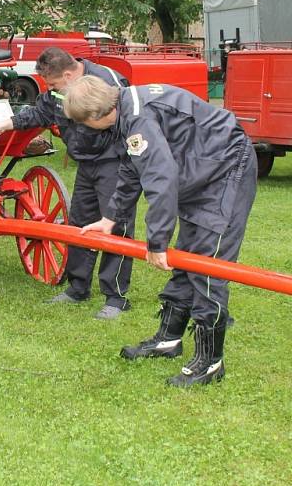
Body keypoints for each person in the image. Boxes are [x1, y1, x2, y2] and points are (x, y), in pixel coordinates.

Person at [65, 76, 257, 386]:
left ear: (98, 115)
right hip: (200, 167)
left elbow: (160, 179)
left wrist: (157, 242)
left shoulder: (138, 118)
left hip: (226, 168)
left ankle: (211, 362)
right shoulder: (126, 109)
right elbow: (132, 167)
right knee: (186, 256)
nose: (86, 130)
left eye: (86, 124)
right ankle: (168, 340)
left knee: (208, 265)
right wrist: (110, 217)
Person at [0, 47, 135, 319]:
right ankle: (78, 287)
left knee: (116, 224)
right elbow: (41, 112)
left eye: (52, 83)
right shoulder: (57, 88)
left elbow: (129, 121)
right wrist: (5, 124)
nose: (49, 88)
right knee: (79, 223)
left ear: (68, 74)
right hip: (86, 163)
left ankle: (116, 297)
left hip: (114, 160)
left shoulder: (107, 80)